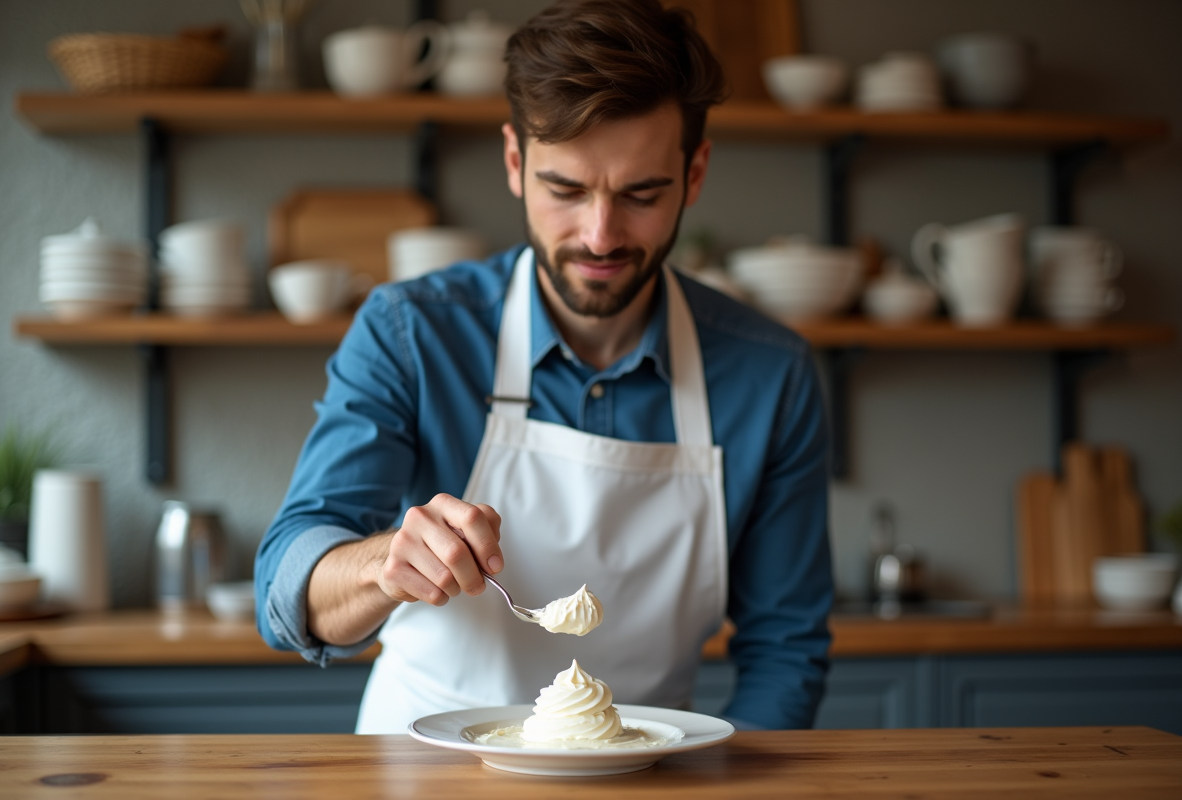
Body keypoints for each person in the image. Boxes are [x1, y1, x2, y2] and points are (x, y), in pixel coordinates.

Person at [254, 0, 833, 734]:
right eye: (565, 190)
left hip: (643, 782)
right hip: (424, 773)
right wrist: (381, 566)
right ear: (514, 163)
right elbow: (284, 594)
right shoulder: (411, 333)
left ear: (694, 174)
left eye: (641, 194)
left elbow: (786, 649)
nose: (599, 234)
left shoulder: (768, 373)